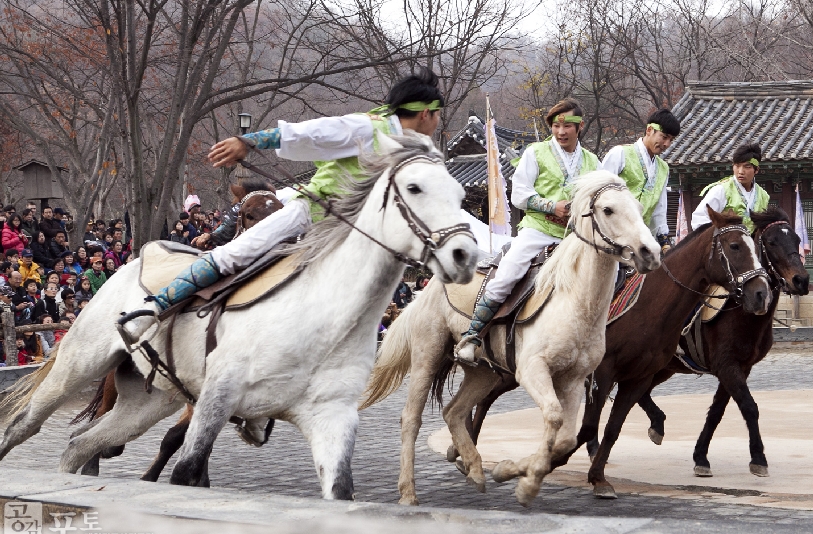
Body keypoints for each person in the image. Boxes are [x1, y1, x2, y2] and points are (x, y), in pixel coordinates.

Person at [122, 69, 447, 335]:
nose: (436, 123)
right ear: (426, 114)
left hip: (360, 230)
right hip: (315, 211)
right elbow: (310, 133)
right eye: (437, 116)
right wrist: (247, 141)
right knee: (235, 252)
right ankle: (152, 309)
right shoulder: (367, 128)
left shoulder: (421, 151)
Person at [456, 98, 600, 363]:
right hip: (538, 230)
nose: (561, 131)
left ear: (579, 127)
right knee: (506, 277)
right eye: (556, 125)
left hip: (575, 236)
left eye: (568, 125)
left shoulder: (592, 162)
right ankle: (473, 335)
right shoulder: (536, 152)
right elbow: (519, 194)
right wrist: (551, 206)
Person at [601, 108, 680, 250]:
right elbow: (600, 195)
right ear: (649, 130)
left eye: (671, 140)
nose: (667, 144)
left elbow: (660, 209)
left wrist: (664, 240)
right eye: (664, 137)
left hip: (642, 239)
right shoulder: (620, 154)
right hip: (614, 235)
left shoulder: (663, 168)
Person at [690, 142, 770, 233]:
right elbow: (700, 219)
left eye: (747, 167)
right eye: (737, 166)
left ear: (756, 170)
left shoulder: (763, 195)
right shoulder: (722, 190)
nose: (740, 171)